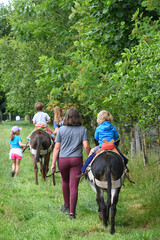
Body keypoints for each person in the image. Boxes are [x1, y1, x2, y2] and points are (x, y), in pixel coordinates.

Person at [51, 108, 91, 219]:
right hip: (76, 160)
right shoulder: (83, 130)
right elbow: (86, 146)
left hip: (63, 159)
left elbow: (57, 148)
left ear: (66, 117)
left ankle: (66, 206)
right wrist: (90, 157)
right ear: (78, 117)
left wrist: (53, 163)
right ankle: (72, 213)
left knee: (64, 181)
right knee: (74, 186)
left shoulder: (61, 130)